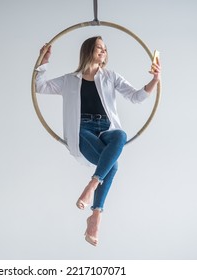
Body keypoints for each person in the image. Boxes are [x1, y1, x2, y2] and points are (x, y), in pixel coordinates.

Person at [35, 36, 161, 246]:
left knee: (120, 135)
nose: (103, 51)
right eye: (99, 48)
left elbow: (136, 96)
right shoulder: (69, 80)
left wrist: (155, 80)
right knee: (113, 165)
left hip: (105, 129)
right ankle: (96, 215)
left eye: (105, 48)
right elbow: (40, 87)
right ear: (88, 51)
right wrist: (44, 60)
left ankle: (92, 186)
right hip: (81, 130)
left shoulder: (110, 77)